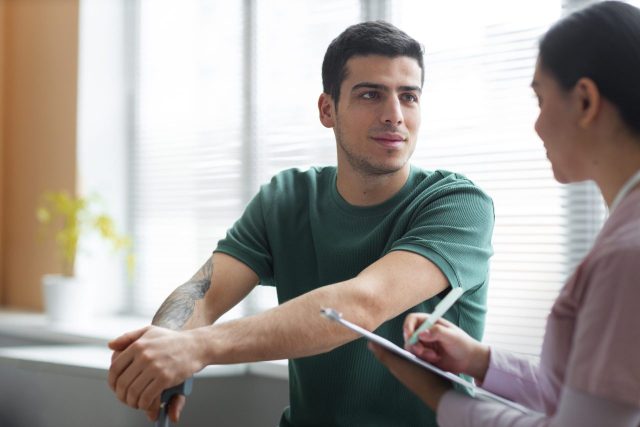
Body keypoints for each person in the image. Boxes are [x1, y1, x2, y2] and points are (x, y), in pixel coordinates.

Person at [108, 21, 494, 427]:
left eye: (408, 97)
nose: (394, 116)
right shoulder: (286, 198)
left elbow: (362, 304)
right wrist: (165, 346)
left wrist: (196, 348)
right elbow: (204, 293)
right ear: (327, 109)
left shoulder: (458, 204)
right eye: (371, 94)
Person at [370, 2, 640, 426]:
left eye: (540, 99)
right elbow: (589, 397)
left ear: (585, 101)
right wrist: (479, 360)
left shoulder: (627, 255)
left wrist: (440, 398)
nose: (537, 125)